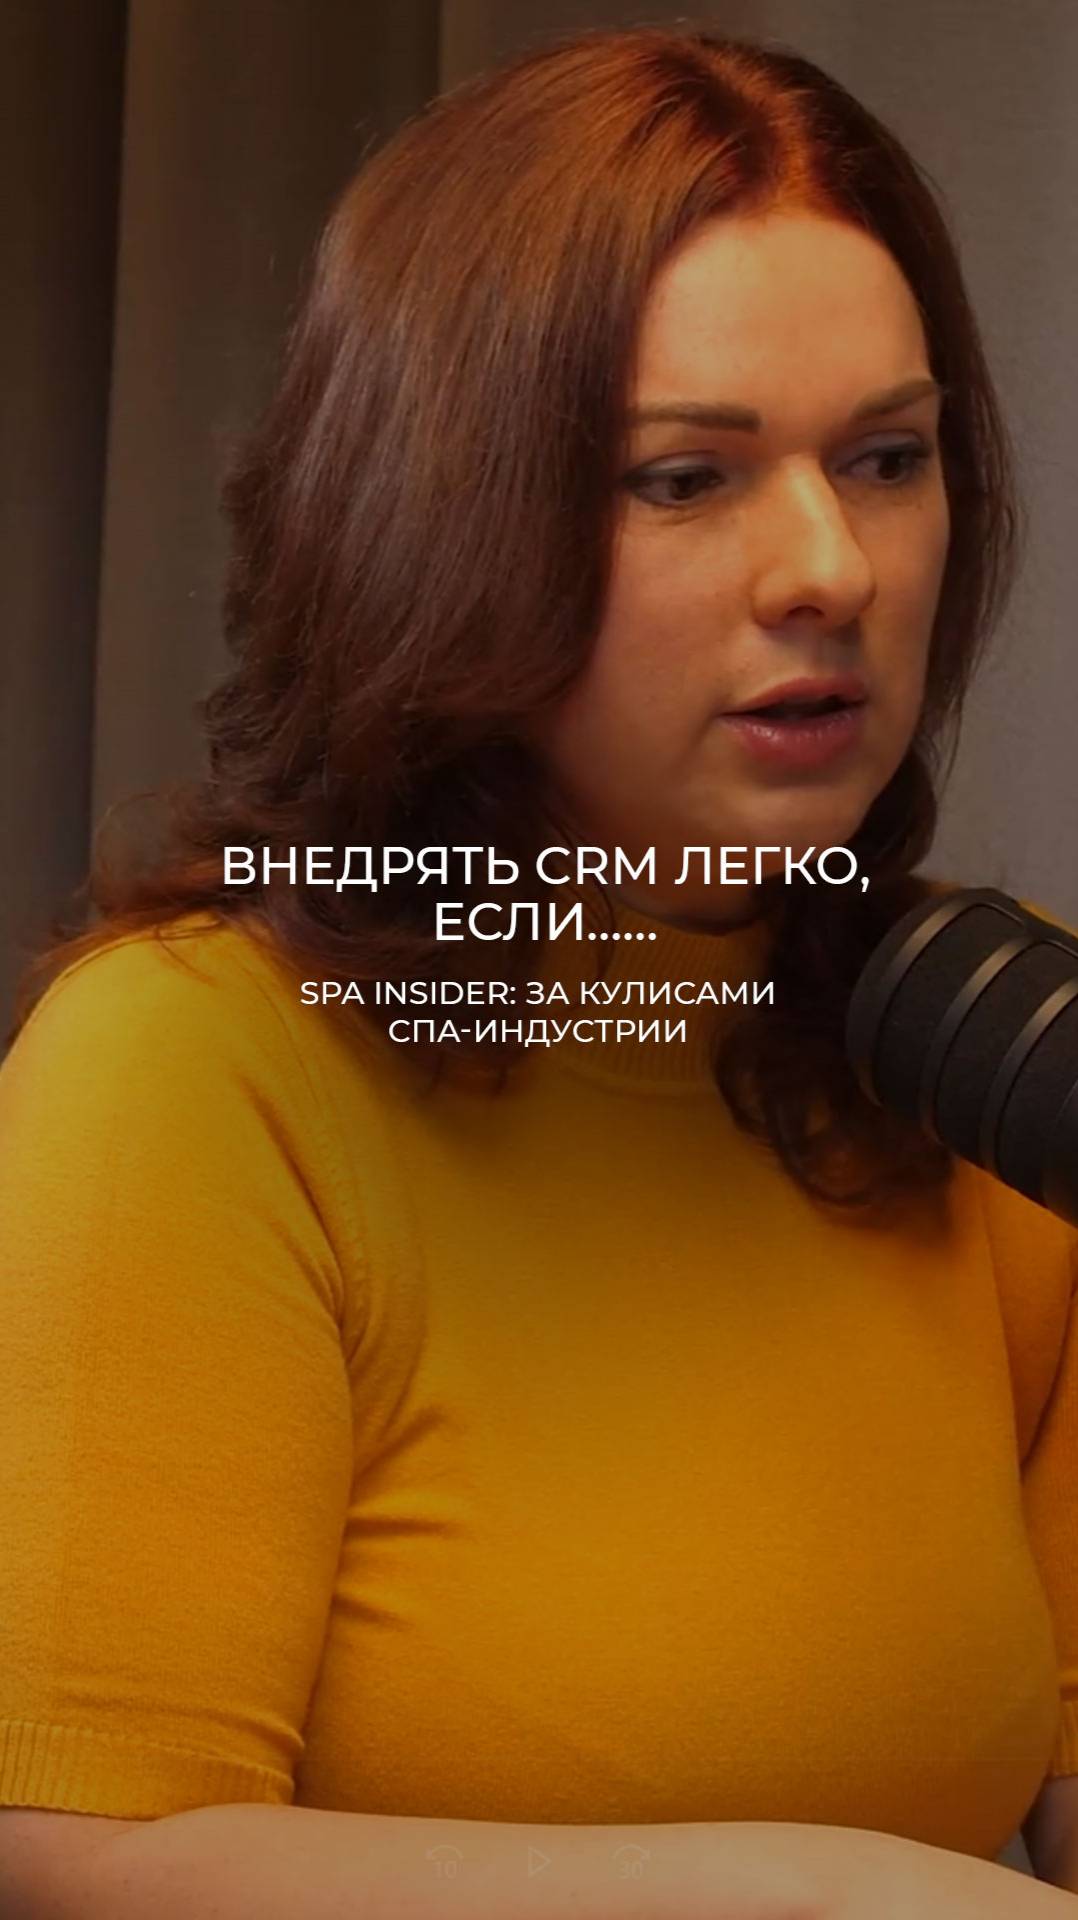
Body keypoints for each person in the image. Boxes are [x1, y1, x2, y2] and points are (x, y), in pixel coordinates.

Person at [1, 22, 1076, 1920]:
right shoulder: (191, 1068)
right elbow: (71, 1846)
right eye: (685, 478)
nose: (830, 566)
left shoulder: (995, 1061)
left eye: (886, 458)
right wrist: (836, 1905)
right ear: (444, 521)